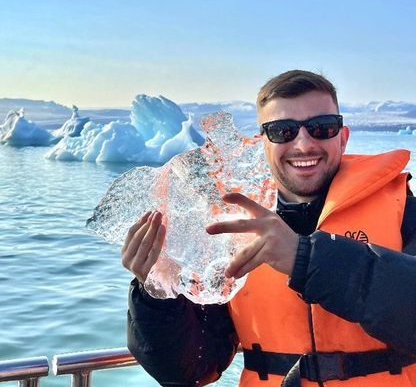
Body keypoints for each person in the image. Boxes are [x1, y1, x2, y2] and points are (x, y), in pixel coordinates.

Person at [121, 70, 416, 387]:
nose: (304, 144)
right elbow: (189, 369)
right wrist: (158, 293)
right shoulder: (228, 229)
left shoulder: (402, 208)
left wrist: (305, 259)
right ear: (261, 143)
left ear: (342, 137)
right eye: (282, 131)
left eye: (322, 128)